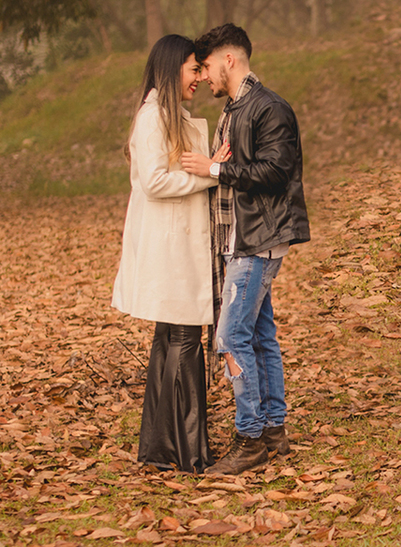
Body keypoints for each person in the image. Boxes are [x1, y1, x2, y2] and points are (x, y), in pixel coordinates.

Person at [181, 23, 309, 476]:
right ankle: (274, 431)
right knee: (257, 335)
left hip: (259, 240)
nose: (206, 77)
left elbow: (276, 170)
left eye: (209, 67)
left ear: (229, 60)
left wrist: (215, 167)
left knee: (231, 337)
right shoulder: (237, 109)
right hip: (245, 236)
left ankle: (250, 438)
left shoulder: (268, 107)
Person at [112, 34, 229, 473]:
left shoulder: (168, 114)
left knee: (174, 340)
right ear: (171, 68)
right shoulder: (153, 118)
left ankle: (166, 448)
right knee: (182, 341)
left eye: (200, 69)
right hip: (170, 248)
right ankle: (184, 452)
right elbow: (154, 182)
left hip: (177, 244)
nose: (199, 77)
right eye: (193, 68)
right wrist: (209, 175)